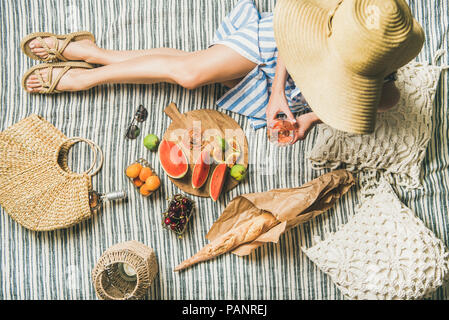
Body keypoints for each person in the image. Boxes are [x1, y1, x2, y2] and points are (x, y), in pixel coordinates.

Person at [22, 0, 421, 141]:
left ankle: (97, 52)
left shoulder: (378, 75)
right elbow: (293, 36)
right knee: (191, 75)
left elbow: (386, 102)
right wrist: (279, 91)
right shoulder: (334, 17)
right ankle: (87, 76)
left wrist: (311, 119)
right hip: (276, 46)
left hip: (290, 88)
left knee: (190, 64)